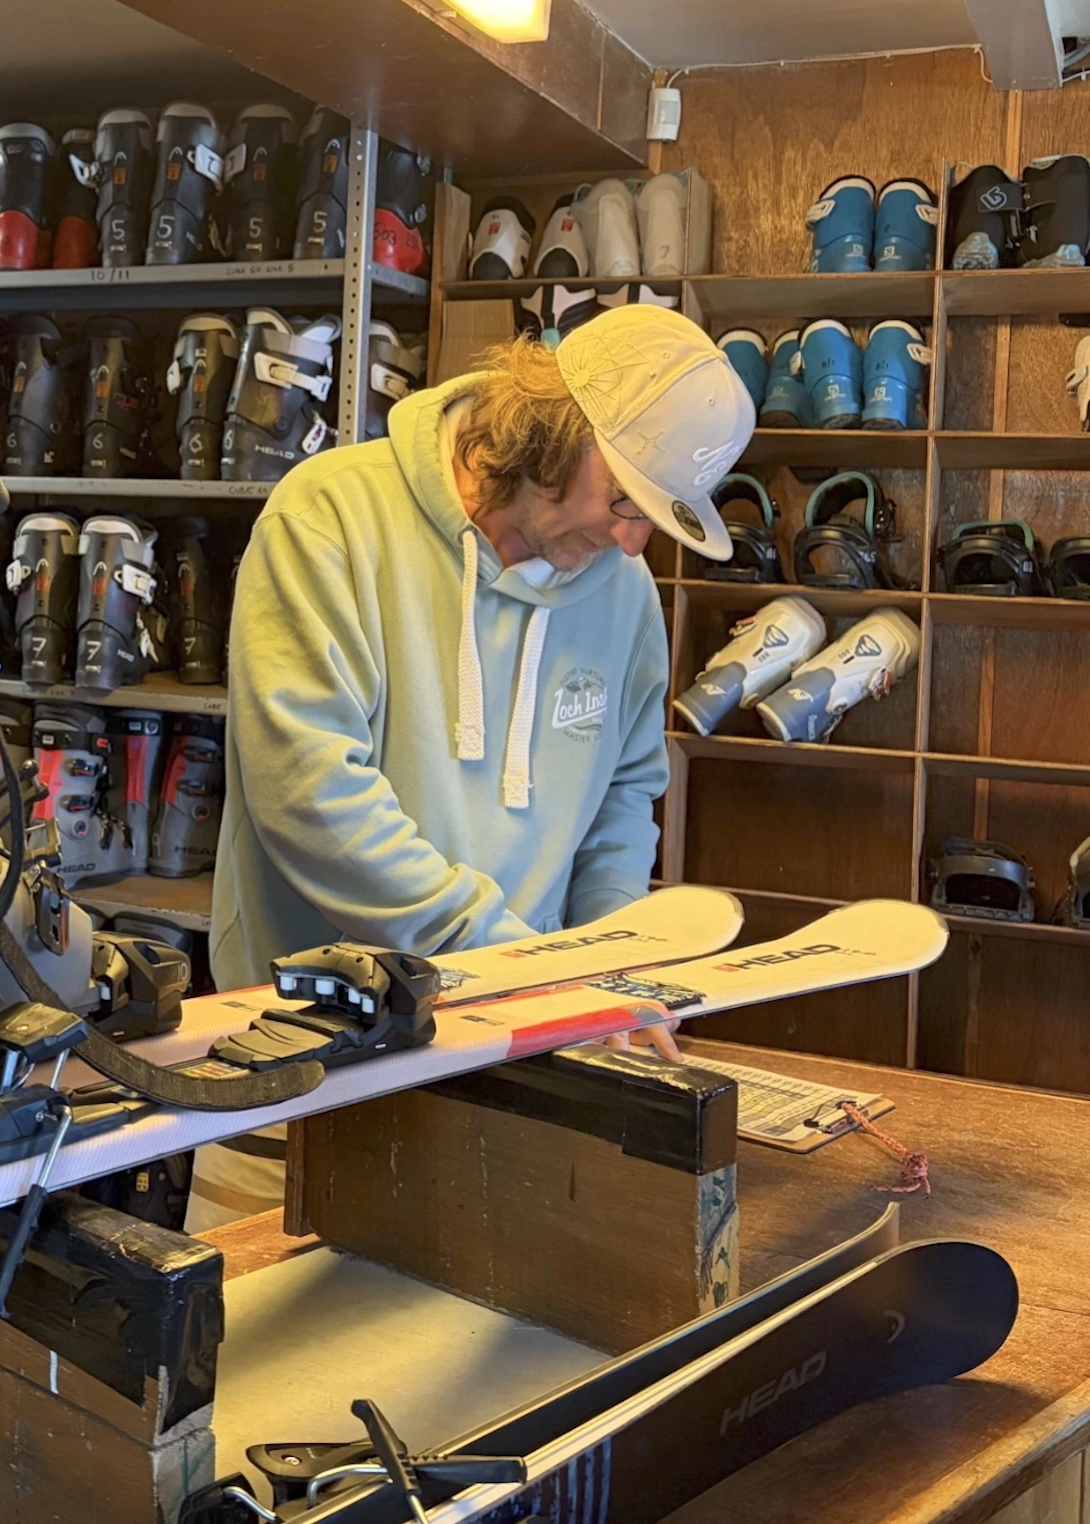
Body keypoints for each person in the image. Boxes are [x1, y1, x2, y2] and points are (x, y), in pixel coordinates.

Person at [184, 303, 754, 1233]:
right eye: (624, 500)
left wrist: (611, 970)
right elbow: (312, 798)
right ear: (556, 432)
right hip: (295, 1077)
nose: (630, 541)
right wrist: (523, 966)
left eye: (652, 518)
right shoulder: (330, 518)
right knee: (250, 1325)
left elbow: (623, 801)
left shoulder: (624, 595)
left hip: (507, 1076)